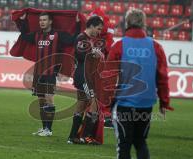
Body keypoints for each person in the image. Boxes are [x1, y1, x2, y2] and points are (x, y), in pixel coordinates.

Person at [108, 9, 172, 159]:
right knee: (140, 142)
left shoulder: (119, 46)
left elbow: (108, 77)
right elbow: (162, 77)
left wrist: (105, 104)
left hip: (125, 102)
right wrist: (164, 102)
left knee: (124, 144)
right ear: (144, 23)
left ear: (127, 23)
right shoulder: (156, 47)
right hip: (146, 103)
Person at [18, 12, 80, 136]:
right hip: (38, 73)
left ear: (50, 21)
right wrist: (23, 22)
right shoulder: (36, 35)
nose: (42, 22)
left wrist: (78, 24)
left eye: (44, 20)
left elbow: (73, 40)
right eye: (40, 20)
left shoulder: (58, 35)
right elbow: (24, 36)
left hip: (50, 73)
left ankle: (49, 130)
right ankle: (44, 128)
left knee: (49, 99)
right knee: (41, 100)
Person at [67, 15, 105, 144]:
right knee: (94, 102)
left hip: (84, 76)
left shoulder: (89, 39)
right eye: (98, 28)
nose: (99, 32)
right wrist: (93, 54)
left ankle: (72, 137)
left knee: (81, 104)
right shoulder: (82, 38)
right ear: (92, 26)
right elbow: (80, 54)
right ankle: (86, 137)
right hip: (83, 77)